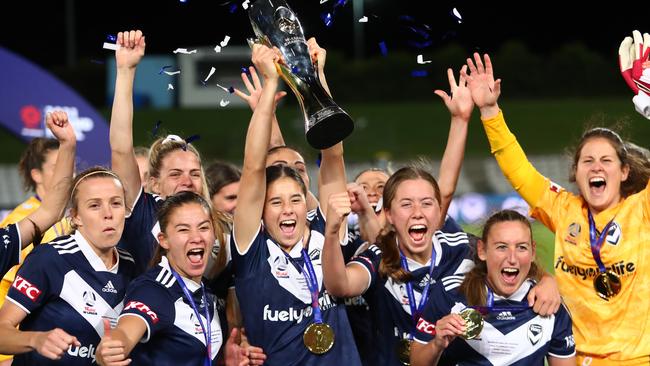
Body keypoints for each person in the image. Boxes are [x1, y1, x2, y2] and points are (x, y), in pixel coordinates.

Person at [465, 51, 650, 364]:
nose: (596, 168)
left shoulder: (642, 209)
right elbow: (518, 169)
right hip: (573, 359)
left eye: (607, 161)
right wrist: (489, 110)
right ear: (575, 173)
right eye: (587, 161)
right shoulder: (563, 209)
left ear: (624, 172)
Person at [322, 165, 561, 366]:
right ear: (389, 214)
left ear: (439, 213)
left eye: (426, 204)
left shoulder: (459, 246)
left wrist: (545, 280)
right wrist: (332, 233)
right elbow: (340, 285)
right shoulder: (378, 256)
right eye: (406, 205)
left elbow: (507, 255)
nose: (417, 213)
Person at [231, 44, 360, 365]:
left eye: (295, 200)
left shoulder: (326, 230)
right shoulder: (252, 250)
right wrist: (271, 82)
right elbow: (252, 167)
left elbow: (333, 154)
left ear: (308, 203)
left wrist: (314, 78)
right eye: (275, 202)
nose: (287, 209)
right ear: (260, 210)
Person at [95, 191, 258, 366]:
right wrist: (114, 347)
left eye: (203, 227)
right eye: (183, 230)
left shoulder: (206, 292)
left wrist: (227, 360)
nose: (196, 238)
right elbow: (127, 330)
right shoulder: (154, 289)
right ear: (164, 240)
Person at [0, 164, 137, 365]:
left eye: (116, 203)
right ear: (75, 216)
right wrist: (36, 340)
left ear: (126, 210)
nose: (108, 213)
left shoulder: (130, 266)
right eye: (94, 205)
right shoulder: (49, 258)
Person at [410, 210, 576, 366]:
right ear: (482, 250)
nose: (512, 258)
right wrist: (437, 344)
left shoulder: (549, 303)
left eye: (521, 247)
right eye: (501, 247)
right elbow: (416, 362)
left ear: (532, 252)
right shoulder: (450, 293)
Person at [0, 111, 75, 279]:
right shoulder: (19, 219)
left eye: (69, 165)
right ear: (36, 175)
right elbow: (7, 283)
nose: (68, 173)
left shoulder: (74, 213)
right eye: (57, 167)